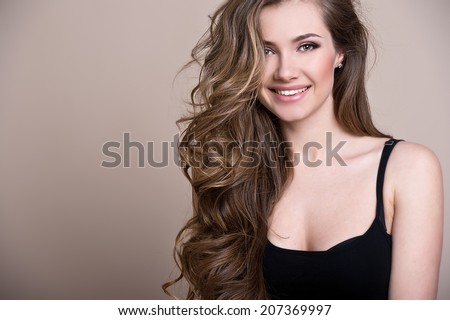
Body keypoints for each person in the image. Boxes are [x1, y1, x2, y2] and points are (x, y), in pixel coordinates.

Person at [163, 0, 443, 299]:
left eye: (306, 46)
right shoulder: (231, 172)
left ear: (340, 52)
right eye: (266, 50)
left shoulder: (409, 169)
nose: (285, 72)